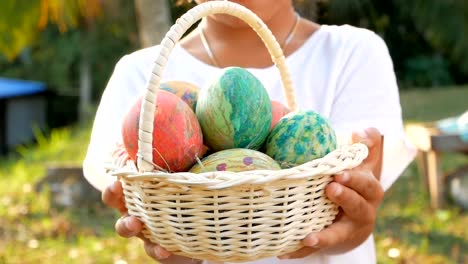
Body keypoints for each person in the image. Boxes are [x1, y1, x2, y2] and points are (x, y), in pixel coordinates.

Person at [83, 0, 417, 263]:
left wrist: (356, 226)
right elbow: (174, 244)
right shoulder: (141, 78)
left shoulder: (352, 53)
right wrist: (165, 237)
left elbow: (352, 216)